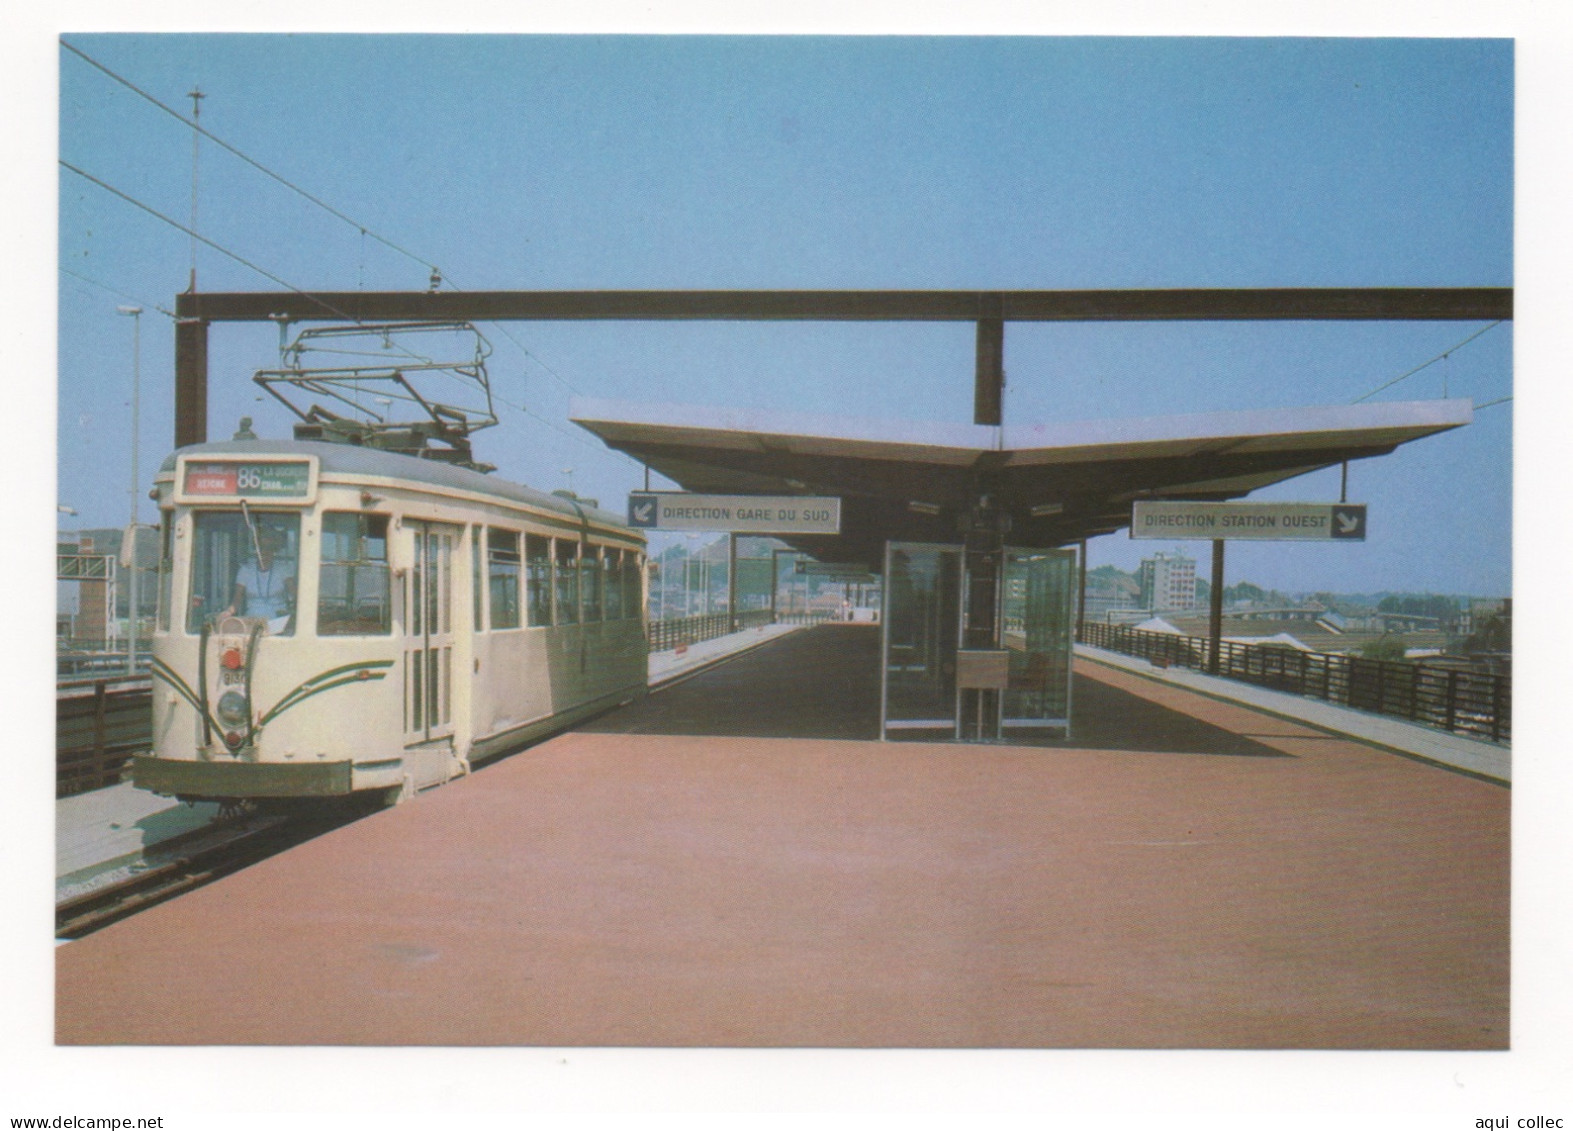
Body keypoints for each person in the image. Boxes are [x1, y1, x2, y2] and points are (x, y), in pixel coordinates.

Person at [220, 523, 296, 633]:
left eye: (269, 549)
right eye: (261, 549)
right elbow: (237, 600)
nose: (265, 553)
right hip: (252, 622)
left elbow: (294, 594)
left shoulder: (283, 569)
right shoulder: (245, 571)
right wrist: (228, 612)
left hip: (278, 623)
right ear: (256, 551)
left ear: (274, 550)